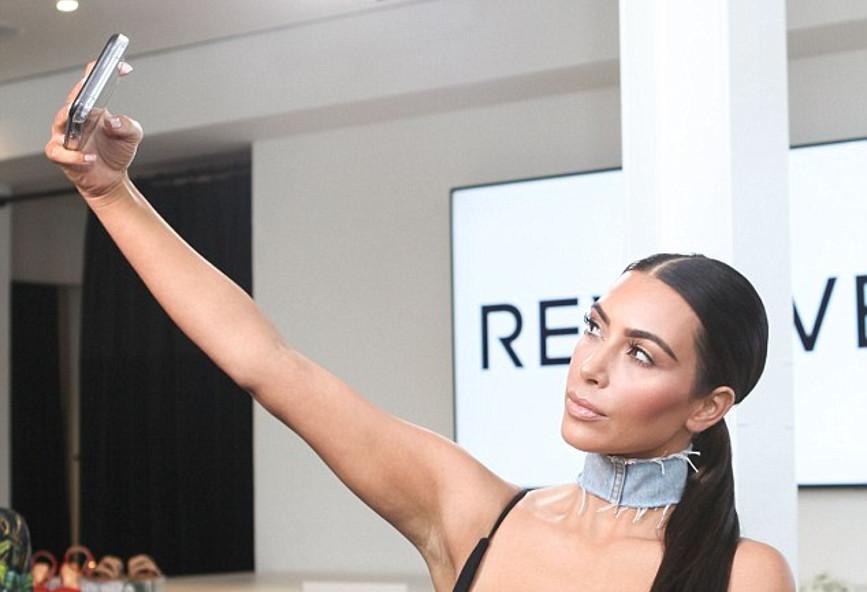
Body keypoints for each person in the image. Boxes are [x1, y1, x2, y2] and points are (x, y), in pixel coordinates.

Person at [45, 62, 796, 592]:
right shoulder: (474, 513)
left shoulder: (743, 575)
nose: (590, 365)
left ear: (708, 405)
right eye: (595, 328)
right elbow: (267, 364)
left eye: (641, 354)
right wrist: (109, 193)